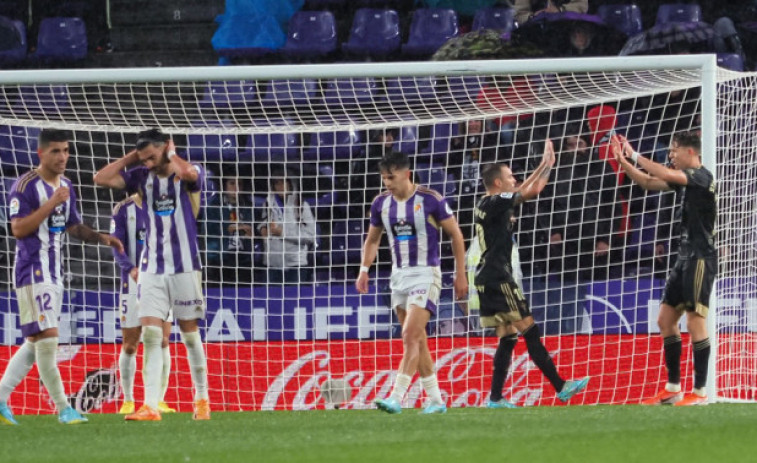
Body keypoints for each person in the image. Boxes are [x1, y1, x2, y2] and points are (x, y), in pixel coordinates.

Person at [0, 129, 123, 425]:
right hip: (32, 270)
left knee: (35, 342)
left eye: (66, 150)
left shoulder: (66, 185)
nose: (63, 157)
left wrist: (101, 237)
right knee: (47, 340)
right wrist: (51, 203)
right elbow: (18, 229)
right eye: (56, 151)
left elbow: (74, 226)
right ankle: (64, 408)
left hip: (55, 273)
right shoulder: (25, 186)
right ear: (41, 153)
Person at [93, 128, 210, 421]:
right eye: (142, 159)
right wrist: (134, 156)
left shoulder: (187, 172)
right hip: (151, 269)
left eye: (150, 157)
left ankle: (202, 399)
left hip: (185, 266)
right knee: (152, 335)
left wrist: (170, 154)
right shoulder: (140, 178)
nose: (146, 163)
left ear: (166, 148)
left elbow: (191, 176)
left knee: (190, 337)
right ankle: (149, 405)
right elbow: (101, 178)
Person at [474, 140, 590, 408]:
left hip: (487, 278)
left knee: (507, 337)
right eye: (510, 176)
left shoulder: (488, 204)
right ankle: (561, 387)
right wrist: (545, 164)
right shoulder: (493, 201)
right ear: (498, 183)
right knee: (530, 331)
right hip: (498, 277)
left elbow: (529, 187)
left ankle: (495, 398)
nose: (514, 179)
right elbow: (533, 190)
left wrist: (545, 166)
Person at [356, 150, 468, 414]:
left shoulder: (431, 200)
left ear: (406, 174)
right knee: (418, 340)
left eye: (391, 177)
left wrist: (460, 273)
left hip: (426, 274)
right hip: (399, 277)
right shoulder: (381, 203)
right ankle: (437, 400)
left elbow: (456, 235)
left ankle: (396, 397)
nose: (387, 183)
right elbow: (372, 240)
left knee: (409, 335)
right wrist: (364, 269)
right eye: (384, 178)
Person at [611, 131, 716, 406]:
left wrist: (635, 154)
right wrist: (624, 161)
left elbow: (665, 174)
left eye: (674, 150)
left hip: (700, 258)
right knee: (665, 321)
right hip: (683, 258)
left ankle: (701, 391)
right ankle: (672, 388)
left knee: (695, 321)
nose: (670, 155)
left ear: (690, 153)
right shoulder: (683, 182)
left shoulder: (702, 176)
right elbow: (647, 181)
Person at [111, 194, 176, 415]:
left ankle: (159, 399)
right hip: (132, 282)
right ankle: (128, 400)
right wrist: (130, 269)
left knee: (163, 341)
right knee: (130, 344)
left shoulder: (165, 204)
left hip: (161, 281)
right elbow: (115, 245)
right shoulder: (122, 209)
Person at [258, 174, 316, 284]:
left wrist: (283, 233)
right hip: (271, 265)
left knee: (295, 300)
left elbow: (310, 236)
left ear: (290, 184)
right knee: (270, 300)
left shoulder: (302, 205)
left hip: (296, 266)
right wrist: (262, 229)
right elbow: (263, 222)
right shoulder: (267, 204)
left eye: (283, 182)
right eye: (276, 183)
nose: (280, 186)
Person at [204, 175, 255, 284]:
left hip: (243, 259)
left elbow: (254, 230)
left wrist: (252, 233)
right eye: (232, 183)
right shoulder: (214, 205)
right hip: (219, 260)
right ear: (224, 186)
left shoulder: (248, 205)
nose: (236, 187)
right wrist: (227, 228)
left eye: (240, 184)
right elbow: (208, 231)